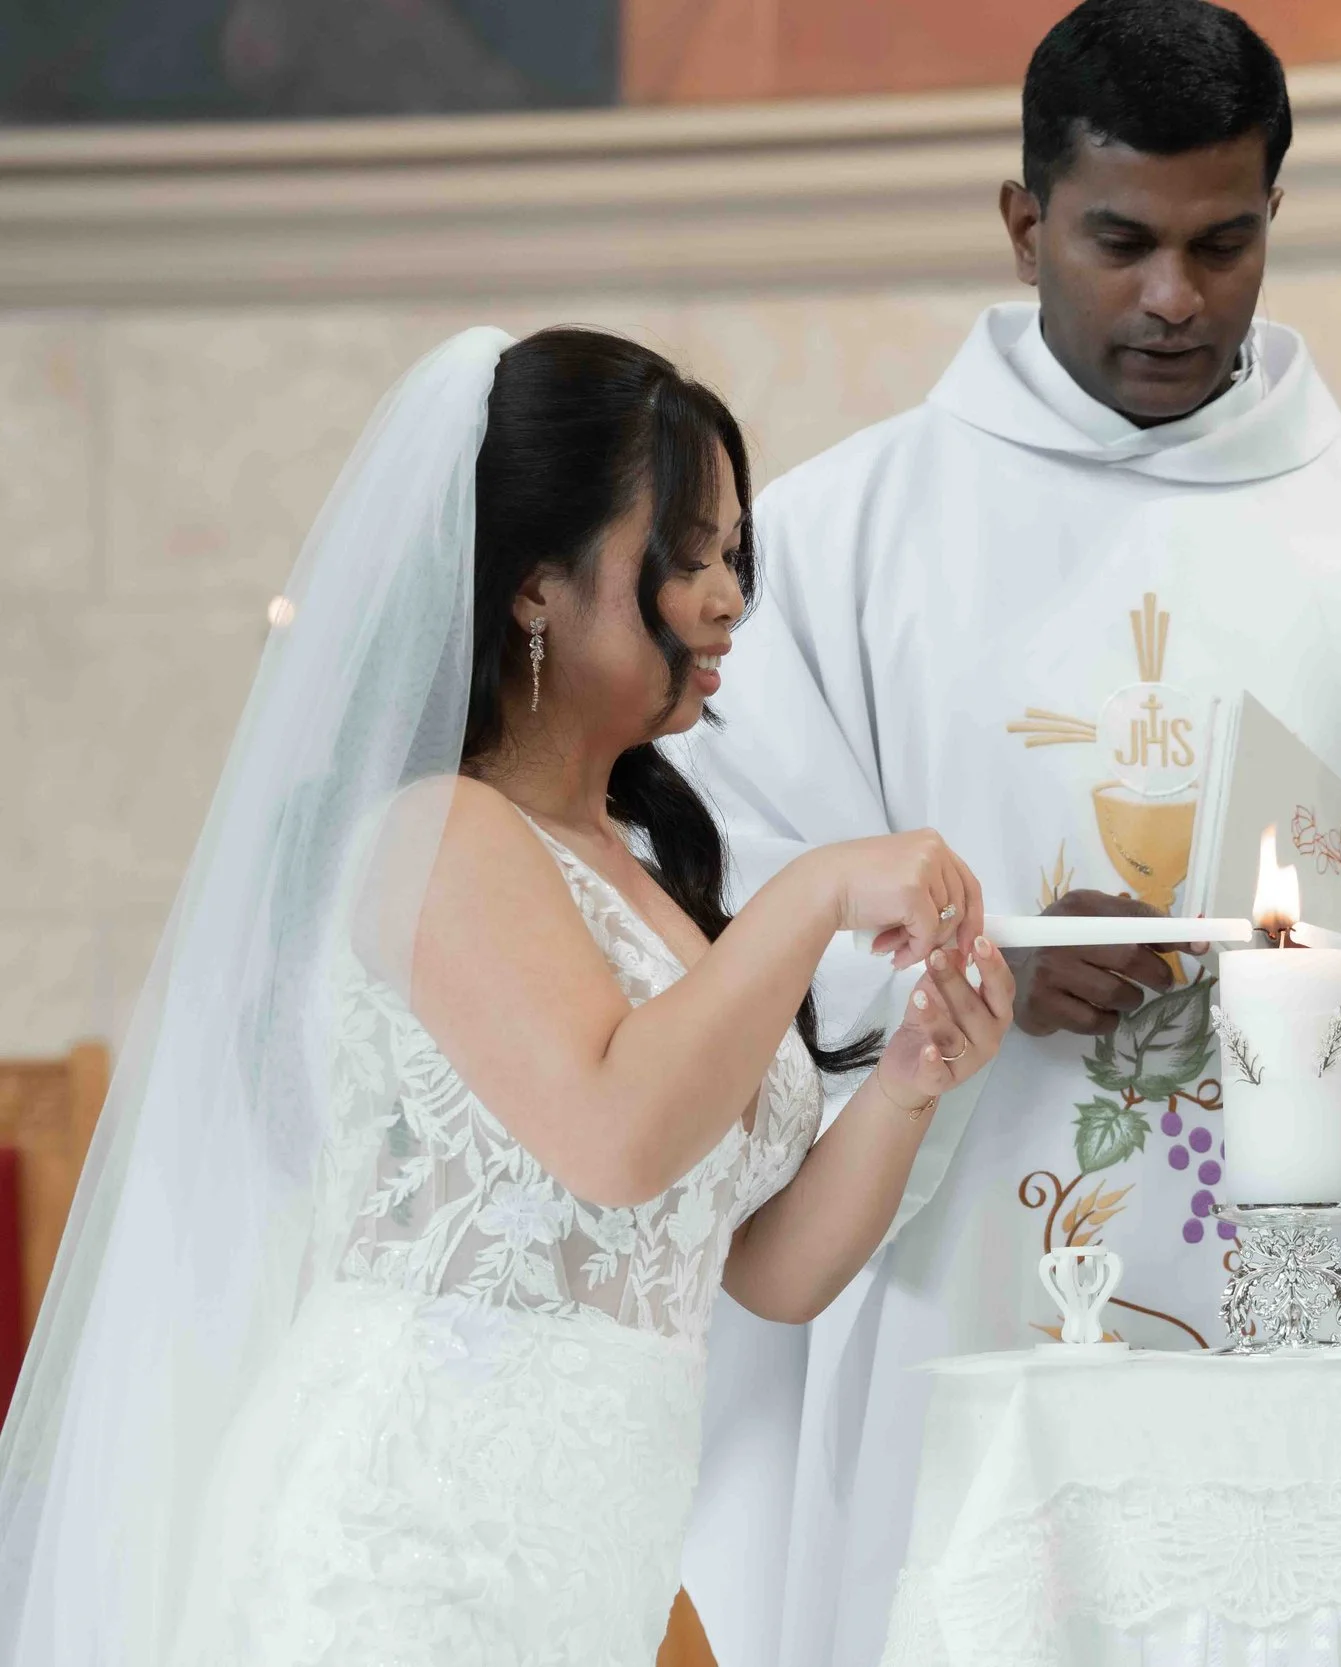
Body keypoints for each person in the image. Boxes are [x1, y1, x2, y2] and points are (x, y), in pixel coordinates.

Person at [669, 2, 1341, 1661]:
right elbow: (725, 880)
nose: (1174, 297)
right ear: (1025, 223)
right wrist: (965, 975)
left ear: (1276, 216)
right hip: (969, 1252)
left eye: (1225, 243)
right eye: (1120, 241)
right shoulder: (847, 535)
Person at [0, 326, 1014, 1664]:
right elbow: (613, 1134)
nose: (727, 600)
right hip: (406, 1551)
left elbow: (762, 1267)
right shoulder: (439, 833)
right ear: (537, 587)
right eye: (688, 555)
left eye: (734, 558)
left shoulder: (645, 874)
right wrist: (820, 890)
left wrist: (910, 1079)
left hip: (586, 1564)